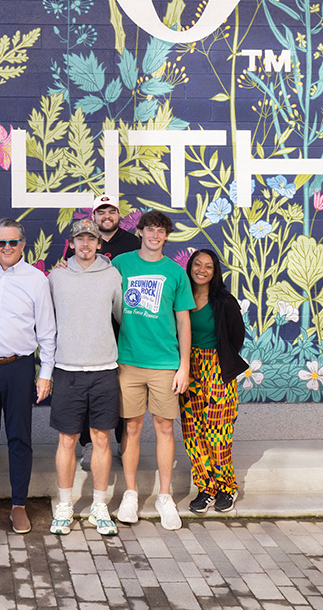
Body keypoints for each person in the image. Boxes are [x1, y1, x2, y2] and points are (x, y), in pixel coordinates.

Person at [0, 219, 56, 534]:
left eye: (12, 242)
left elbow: (47, 331)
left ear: (23, 244)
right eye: (1, 243)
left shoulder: (36, 280)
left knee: (19, 438)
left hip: (19, 367)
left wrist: (46, 374)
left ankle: (19, 505)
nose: (6, 248)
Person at [112, 210, 195, 531]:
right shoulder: (121, 264)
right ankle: (130, 493)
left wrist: (183, 366)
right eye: (150, 230)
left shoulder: (175, 273)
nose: (155, 235)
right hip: (128, 361)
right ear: (141, 231)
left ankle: (164, 496)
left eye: (161, 231)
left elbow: (183, 321)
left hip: (165, 364)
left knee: (164, 428)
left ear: (166, 236)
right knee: (131, 428)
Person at [47, 219, 122, 536]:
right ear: (72, 243)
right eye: (80, 239)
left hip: (104, 368)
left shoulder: (113, 275)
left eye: (91, 239)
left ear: (99, 243)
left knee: (102, 439)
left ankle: (99, 507)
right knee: (67, 440)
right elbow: (46, 319)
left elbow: (121, 316)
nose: (86, 244)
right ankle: (64, 505)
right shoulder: (57, 276)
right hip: (67, 369)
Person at [182, 249, 249, 514]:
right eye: (197, 264)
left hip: (217, 368)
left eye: (208, 266)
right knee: (193, 433)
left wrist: (220, 361)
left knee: (217, 433)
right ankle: (206, 489)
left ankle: (226, 487)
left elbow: (236, 337)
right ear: (190, 267)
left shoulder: (224, 301)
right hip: (188, 368)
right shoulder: (182, 297)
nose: (201, 270)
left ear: (214, 271)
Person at [77, 195, 139, 470]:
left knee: (120, 390)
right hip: (90, 328)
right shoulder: (83, 243)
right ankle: (88, 444)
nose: (106, 215)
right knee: (88, 389)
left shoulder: (133, 244)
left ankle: (121, 443)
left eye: (111, 210)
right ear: (94, 216)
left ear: (118, 214)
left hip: (124, 328)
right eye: (101, 211)